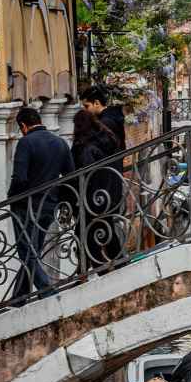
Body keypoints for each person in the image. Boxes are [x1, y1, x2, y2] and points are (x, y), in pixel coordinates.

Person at [8, 106, 73, 299]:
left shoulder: (26, 143)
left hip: (26, 206)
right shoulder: (60, 143)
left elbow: (19, 178)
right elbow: (71, 175)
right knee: (32, 251)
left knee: (25, 249)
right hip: (49, 205)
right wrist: (58, 197)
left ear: (23, 126)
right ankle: (19, 297)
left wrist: (12, 197)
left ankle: (47, 291)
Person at [70, 108, 123, 268]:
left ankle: (90, 271)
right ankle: (118, 265)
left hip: (93, 198)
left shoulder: (85, 148)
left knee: (85, 233)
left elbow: (86, 175)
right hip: (109, 195)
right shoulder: (107, 140)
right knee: (105, 230)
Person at [80, 85, 126, 151]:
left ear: (96, 103)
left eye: (87, 106)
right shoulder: (111, 115)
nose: (85, 109)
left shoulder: (105, 122)